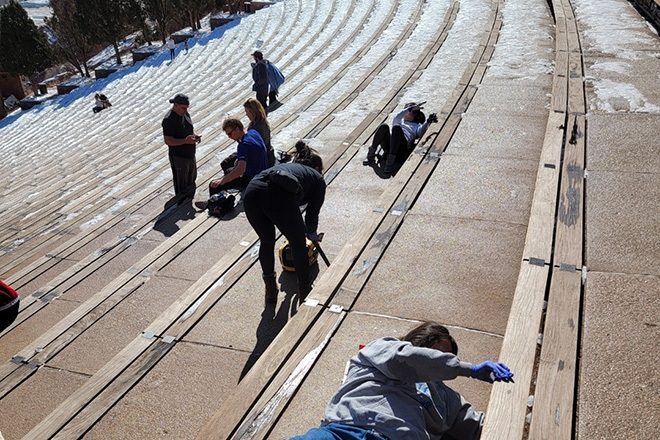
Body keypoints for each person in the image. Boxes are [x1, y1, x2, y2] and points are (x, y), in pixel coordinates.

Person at [292, 321, 515, 440]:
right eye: (438, 354)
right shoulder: (381, 351)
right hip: (344, 431)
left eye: (447, 359)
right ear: (418, 341)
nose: (440, 363)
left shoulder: (446, 398)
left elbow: (478, 427)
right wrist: (468, 369)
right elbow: (409, 359)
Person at [242, 142, 325, 305]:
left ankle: (271, 290)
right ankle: (305, 291)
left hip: (251, 192)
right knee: (298, 243)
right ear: (317, 166)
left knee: (266, 241)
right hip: (276, 195)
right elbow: (311, 217)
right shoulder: (318, 180)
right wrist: (312, 234)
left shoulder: (291, 168)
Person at [196, 118, 268, 208]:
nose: (229, 137)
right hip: (263, 170)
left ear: (237, 129)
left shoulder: (243, 145)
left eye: (230, 134)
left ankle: (213, 205)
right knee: (228, 171)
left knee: (214, 184)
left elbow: (240, 170)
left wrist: (222, 181)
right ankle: (220, 198)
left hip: (252, 178)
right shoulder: (253, 132)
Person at [366, 102, 438, 176]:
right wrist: (409, 109)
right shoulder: (400, 121)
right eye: (405, 110)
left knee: (397, 128)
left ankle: (390, 162)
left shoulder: (416, 126)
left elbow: (421, 132)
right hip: (391, 145)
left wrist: (428, 121)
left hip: (402, 147)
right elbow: (397, 117)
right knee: (384, 126)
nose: (405, 113)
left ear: (414, 114)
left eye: (409, 111)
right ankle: (371, 153)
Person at [162, 93, 200, 202]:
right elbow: (168, 140)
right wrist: (185, 141)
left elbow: (188, 129)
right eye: (183, 108)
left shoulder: (185, 113)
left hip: (190, 153)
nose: (185, 110)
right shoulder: (168, 120)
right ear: (176, 105)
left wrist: (194, 136)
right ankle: (181, 205)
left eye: (187, 108)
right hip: (179, 157)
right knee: (182, 185)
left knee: (191, 179)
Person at [244, 98, 275, 167]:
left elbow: (257, 149)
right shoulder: (256, 123)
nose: (246, 115)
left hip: (264, 160)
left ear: (252, 112)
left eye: (247, 112)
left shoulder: (258, 127)